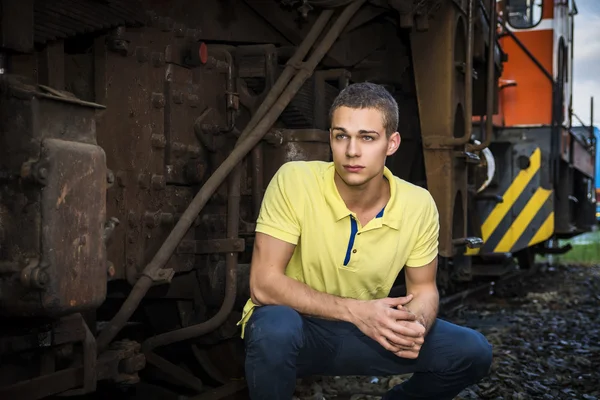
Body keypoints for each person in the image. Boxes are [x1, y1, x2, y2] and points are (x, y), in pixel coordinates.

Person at [237, 82, 493, 399]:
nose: (352, 151)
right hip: (301, 330)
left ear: (392, 143)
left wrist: (416, 326)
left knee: (472, 351)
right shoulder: (295, 181)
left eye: (367, 138)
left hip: (370, 332)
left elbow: (424, 289)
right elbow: (263, 283)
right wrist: (358, 311)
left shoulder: (418, 204)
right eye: (341, 135)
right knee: (273, 326)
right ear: (330, 137)